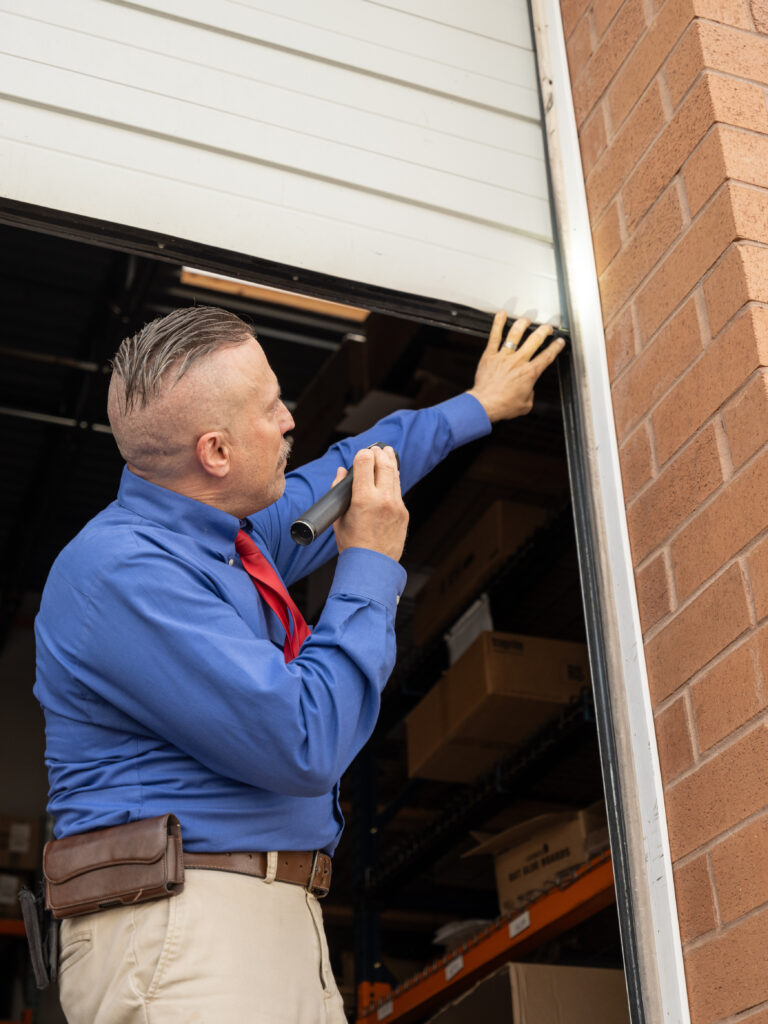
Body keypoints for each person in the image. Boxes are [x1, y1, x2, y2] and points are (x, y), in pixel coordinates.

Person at [34, 305, 564, 1023]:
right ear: (215, 453)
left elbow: (355, 469)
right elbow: (303, 739)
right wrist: (368, 564)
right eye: (271, 406)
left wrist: (480, 405)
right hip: (184, 931)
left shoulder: (230, 535)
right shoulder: (124, 572)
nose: (291, 420)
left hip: (250, 917)